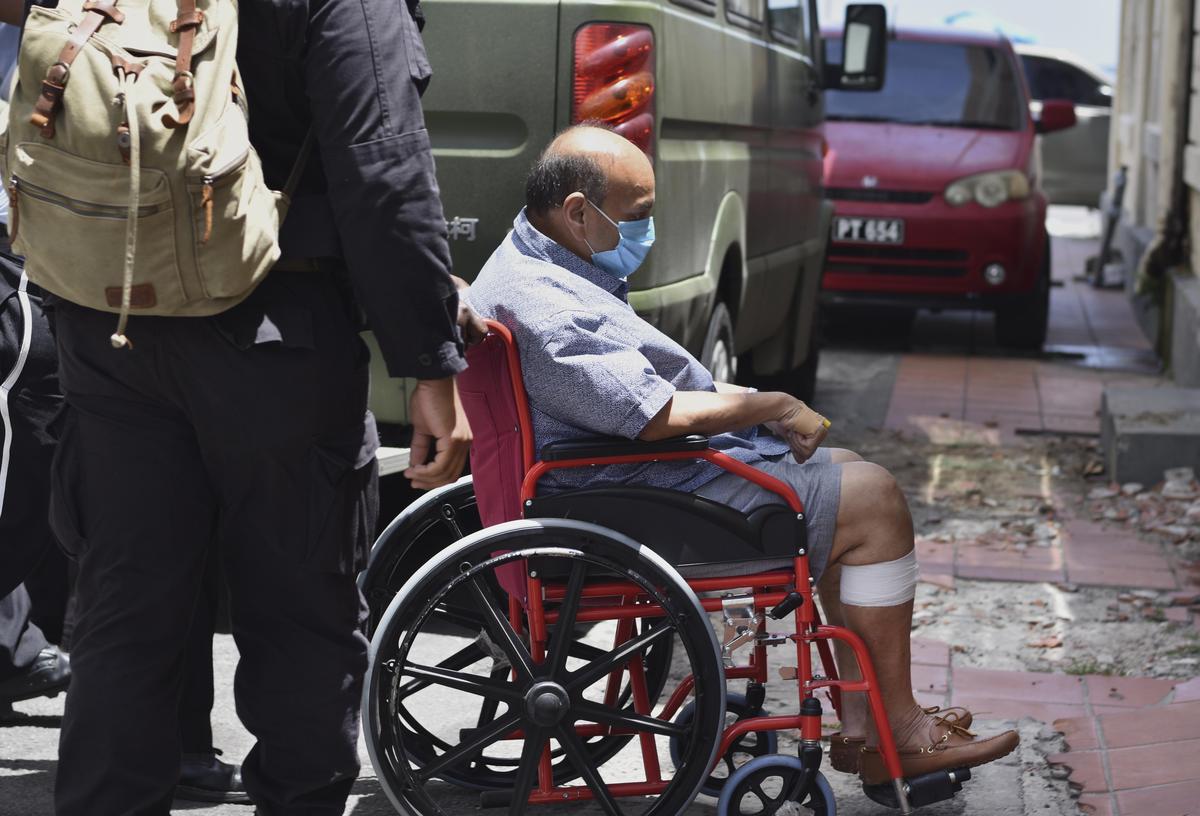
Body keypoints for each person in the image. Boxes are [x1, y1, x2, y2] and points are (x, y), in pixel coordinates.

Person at [0, 0, 481, 812]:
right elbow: (383, 169)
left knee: (124, 607)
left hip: (113, 323)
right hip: (276, 333)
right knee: (300, 612)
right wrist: (431, 366)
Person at [466, 124, 1020, 786]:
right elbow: (652, 416)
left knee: (843, 473)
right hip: (621, 494)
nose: (647, 231)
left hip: (608, 479)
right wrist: (773, 405)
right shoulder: (549, 308)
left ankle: (867, 726)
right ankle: (893, 730)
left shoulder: (534, 257)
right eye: (637, 216)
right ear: (579, 211)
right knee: (875, 502)